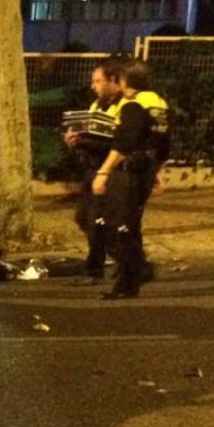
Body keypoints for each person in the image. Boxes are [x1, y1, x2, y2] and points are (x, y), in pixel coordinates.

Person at [92, 60, 169, 300]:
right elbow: (163, 143)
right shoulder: (158, 104)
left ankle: (133, 274)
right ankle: (129, 281)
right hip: (145, 169)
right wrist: (157, 171)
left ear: (124, 81)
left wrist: (103, 172)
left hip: (129, 173)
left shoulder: (133, 105)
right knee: (130, 226)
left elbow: (124, 143)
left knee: (117, 227)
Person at [64, 61, 123, 285]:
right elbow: (90, 136)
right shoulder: (96, 106)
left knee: (98, 220)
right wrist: (76, 141)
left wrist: (85, 142)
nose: (93, 86)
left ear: (113, 81)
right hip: (93, 168)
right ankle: (125, 259)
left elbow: (117, 144)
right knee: (83, 218)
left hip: (110, 170)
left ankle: (96, 269)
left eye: (97, 81)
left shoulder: (122, 107)